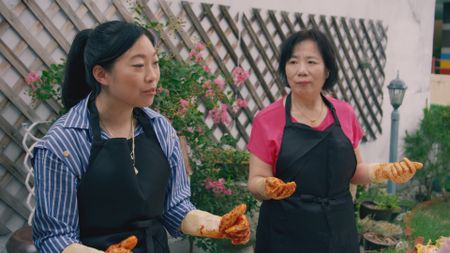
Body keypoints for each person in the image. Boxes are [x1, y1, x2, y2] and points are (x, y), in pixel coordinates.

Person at [32, 20, 250, 253]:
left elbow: (176, 207)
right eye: (138, 66)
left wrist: (220, 225)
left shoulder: (160, 129)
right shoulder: (64, 143)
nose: (152, 76)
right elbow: (55, 237)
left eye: (155, 63)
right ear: (101, 74)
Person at [247, 29, 422, 252]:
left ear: (327, 69)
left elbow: (355, 171)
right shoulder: (267, 119)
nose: (301, 71)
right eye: (293, 62)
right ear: (285, 69)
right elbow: (255, 181)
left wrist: (386, 171)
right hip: (285, 234)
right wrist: (267, 186)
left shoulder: (344, 113)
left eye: (311, 62)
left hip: (338, 231)